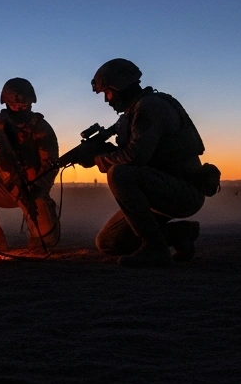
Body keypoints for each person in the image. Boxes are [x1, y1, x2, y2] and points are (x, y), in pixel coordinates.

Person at [88, 59, 206, 267]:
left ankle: (156, 249)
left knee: (118, 174)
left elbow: (136, 156)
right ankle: (178, 235)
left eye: (107, 93)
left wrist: (101, 159)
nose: (107, 100)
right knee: (108, 242)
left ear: (119, 88)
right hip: (159, 188)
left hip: (183, 191)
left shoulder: (150, 107)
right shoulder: (131, 113)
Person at [0, 78, 61, 251]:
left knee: (44, 244)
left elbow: (50, 165)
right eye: (14, 105)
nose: (19, 108)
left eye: (23, 106)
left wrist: (37, 188)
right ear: (6, 103)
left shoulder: (41, 128)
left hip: (32, 188)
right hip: (3, 185)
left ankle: (43, 214)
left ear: (30, 103)